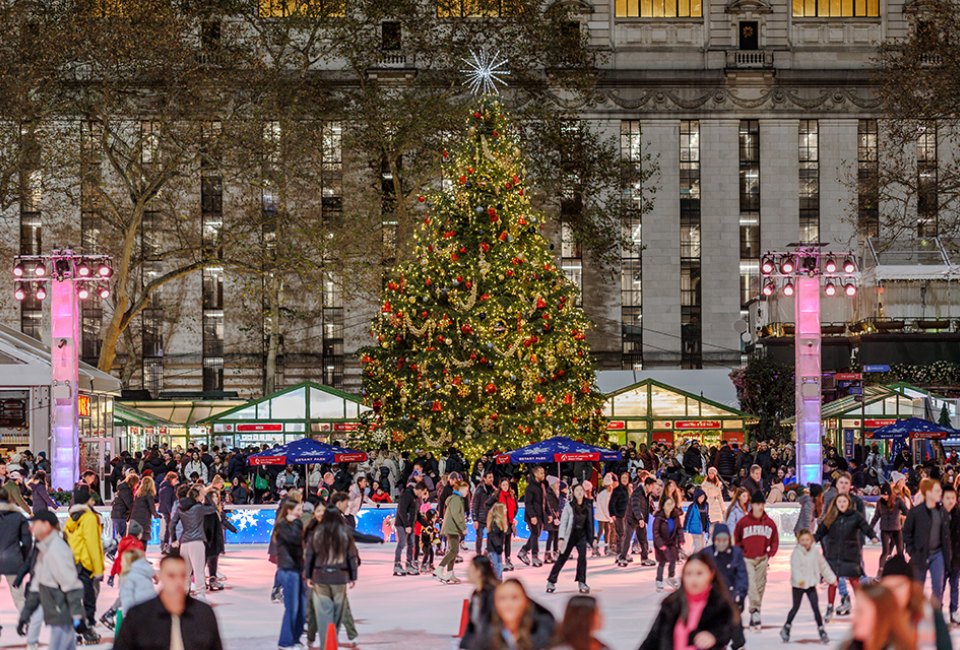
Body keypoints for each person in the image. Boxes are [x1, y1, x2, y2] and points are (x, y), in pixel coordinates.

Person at [113, 554, 224, 650]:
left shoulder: (203, 613)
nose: (178, 582)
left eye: (182, 575)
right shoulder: (139, 615)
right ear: (161, 576)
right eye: (171, 576)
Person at [638, 551, 738, 650]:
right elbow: (652, 640)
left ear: (711, 574)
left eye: (699, 573)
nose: (693, 579)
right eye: (689, 574)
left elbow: (727, 630)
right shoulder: (671, 604)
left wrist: (713, 635)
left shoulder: (719, 604)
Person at [16, 511, 86, 650]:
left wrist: (77, 616)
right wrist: (26, 614)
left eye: (35, 524)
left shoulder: (57, 549)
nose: (31, 528)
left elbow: (71, 585)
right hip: (57, 615)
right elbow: (37, 584)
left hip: (62, 615)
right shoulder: (45, 548)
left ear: (46, 525)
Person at [815, 492, 879, 622]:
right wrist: (811, 541)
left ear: (848, 503)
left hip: (850, 554)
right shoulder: (831, 517)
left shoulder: (855, 516)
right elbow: (820, 532)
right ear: (835, 504)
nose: (842, 504)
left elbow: (865, 526)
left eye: (844, 502)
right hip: (834, 555)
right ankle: (830, 607)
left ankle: (862, 608)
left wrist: (872, 536)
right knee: (833, 581)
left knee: (855, 581)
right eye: (839, 502)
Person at [304, 506, 359, 650]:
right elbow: (352, 556)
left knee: (323, 615)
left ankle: (326, 645)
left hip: (321, 578)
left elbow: (310, 555)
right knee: (337, 615)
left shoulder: (318, 532)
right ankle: (330, 643)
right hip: (339, 578)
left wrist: (309, 575)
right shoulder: (344, 533)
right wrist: (353, 577)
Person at [879, 554, 953, 650]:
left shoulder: (932, 617)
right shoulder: (875, 618)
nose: (894, 593)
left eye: (899, 586)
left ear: (911, 587)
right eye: (888, 589)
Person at [466, 578, 555, 650]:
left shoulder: (544, 632)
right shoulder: (485, 635)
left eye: (514, 597)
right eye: (502, 598)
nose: (508, 604)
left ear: (526, 602)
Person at [733, 489, 778, 630]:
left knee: (760, 586)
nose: (760, 507)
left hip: (762, 559)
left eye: (762, 504)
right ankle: (755, 610)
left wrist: (770, 553)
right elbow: (737, 538)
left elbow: (775, 540)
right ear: (751, 505)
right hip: (747, 559)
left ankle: (755, 612)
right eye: (757, 504)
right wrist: (740, 552)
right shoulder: (744, 522)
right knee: (751, 584)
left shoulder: (769, 523)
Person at [903, 477, 951, 607]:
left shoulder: (942, 512)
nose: (939, 494)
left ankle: (936, 615)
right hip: (920, 554)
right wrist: (912, 550)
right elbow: (906, 532)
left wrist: (947, 555)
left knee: (938, 587)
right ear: (928, 492)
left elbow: (946, 536)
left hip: (938, 554)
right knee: (918, 587)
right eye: (937, 491)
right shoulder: (916, 512)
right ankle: (916, 615)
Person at [781, 528, 835, 643]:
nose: (805, 542)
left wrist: (832, 579)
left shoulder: (815, 553)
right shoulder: (796, 553)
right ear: (798, 541)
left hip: (810, 584)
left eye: (807, 539)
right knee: (795, 608)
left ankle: (821, 630)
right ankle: (786, 627)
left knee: (815, 608)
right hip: (798, 586)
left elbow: (823, 566)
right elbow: (795, 569)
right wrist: (800, 580)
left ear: (811, 540)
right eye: (802, 540)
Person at [64, 485, 103, 643]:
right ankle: (86, 630)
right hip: (85, 564)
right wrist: (98, 568)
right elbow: (92, 544)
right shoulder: (89, 518)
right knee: (89, 599)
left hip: (72, 562)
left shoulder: (71, 518)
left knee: (75, 599)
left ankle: (75, 631)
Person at [170, 485, 217, 599]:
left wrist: (174, 538)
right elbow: (213, 508)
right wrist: (206, 494)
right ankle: (200, 594)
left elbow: (172, 523)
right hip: (197, 542)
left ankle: (184, 593)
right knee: (198, 570)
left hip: (184, 543)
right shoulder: (198, 507)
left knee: (186, 572)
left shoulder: (180, 508)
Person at [546, 483, 594, 595]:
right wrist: (561, 538)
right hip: (570, 535)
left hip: (581, 535)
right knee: (562, 558)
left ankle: (582, 581)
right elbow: (563, 523)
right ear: (573, 493)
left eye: (581, 490)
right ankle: (551, 581)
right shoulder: (569, 506)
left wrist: (592, 538)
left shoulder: (587, 505)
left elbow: (590, 522)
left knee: (582, 558)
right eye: (577, 491)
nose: (579, 493)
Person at [704, 523, 746, 649]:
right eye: (719, 540)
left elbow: (742, 575)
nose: (721, 543)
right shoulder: (706, 554)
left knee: (737, 635)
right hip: (711, 601)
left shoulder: (736, 553)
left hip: (731, 599)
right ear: (714, 539)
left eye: (724, 540)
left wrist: (740, 594)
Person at [272, 499, 305, 650]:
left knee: (303, 607)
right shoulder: (282, 526)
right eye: (299, 509)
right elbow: (294, 539)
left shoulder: (297, 524)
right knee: (292, 607)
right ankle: (285, 642)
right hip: (287, 569)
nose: (301, 512)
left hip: (298, 569)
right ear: (289, 510)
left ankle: (296, 638)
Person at [839, 582, 912, 650]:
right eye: (856, 611)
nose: (855, 619)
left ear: (881, 615)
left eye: (860, 612)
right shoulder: (848, 646)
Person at [0, 486, 32, 616]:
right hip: (13, 558)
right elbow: (27, 541)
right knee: (18, 595)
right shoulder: (18, 517)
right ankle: (26, 620)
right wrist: (23, 557)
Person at [459, 555, 498, 650]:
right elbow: (473, 625)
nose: (467, 572)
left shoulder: (492, 594)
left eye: (470, 568)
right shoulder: (476, 594)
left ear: (479, 571)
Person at [870, 482, 910, 574]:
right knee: (886, 551)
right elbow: (876, 516)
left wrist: (907, 517)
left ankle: (902, 571)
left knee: (900, 551)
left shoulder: (898, 500)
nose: (885, 497)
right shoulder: (880, 502)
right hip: (885, 530)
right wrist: (870, 528)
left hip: (897, 529)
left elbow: (906, 511)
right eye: (883, 495)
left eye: (886, 495)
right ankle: (881, 572)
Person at [436, 480, 468, 584]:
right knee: (454, 550)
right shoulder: (456, 500)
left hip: (452, 528)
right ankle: (439, 568)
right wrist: (462, 527)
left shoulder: (457, 499)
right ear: (460, 489)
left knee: (453, 550)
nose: (467, 492)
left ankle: (450, 573)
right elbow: (456, 515)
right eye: (466, 490)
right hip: (451, 528)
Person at [619, 476, 655, 567]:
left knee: (643, 540)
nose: (653, 488)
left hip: (640, 520)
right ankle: (622, 558)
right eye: (652, 486)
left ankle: (645, 558)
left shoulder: (648, 494)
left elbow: (649, 506)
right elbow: (635, 507)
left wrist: (654, 512)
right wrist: (640, 518)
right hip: (632, 519)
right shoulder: (637, 493)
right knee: (628, 538)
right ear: (647, 485)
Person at [117, 548, 157, 630]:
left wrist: (126, 616)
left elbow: (127, 598)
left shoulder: (127, 577)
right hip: (151, 611)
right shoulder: (145, 573)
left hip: (136, 614)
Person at [394, 481, 427, 576]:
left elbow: (417, 514)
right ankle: (397, 564)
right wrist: (407, 525)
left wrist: (426, 524)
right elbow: (401, 510)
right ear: (419, 490)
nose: (422, 495)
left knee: (411, 544)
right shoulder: (407, 495)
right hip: (402, 524)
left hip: (410, 525)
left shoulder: (415, 499)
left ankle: (409, 563)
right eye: (423, 492)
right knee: (402, 543)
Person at [652, 496, 684, 592]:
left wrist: (681, 538)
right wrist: (660, 544)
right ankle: (659, 580)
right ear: (664, 506)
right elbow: (656, 532)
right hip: (661, 543)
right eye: (668, 504)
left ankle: (671, 577)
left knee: (673, 560)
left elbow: (679, 528)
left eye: (672, 504)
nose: (670, 506)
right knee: (662, 562)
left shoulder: (675, 516)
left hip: (671, 543)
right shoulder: (659, 518)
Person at [518, 466, 547, 568]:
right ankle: (534, 556)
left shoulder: (541, 486)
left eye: (543, 473)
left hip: (539, 514)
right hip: (533, 515)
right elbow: (528, 503)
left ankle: (523, 551)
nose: (543, 475)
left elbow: (544, 501)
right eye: (541, 473)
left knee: (536, 534)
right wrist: (532, 516)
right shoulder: (530, 487)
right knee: (535, 533)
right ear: (535, 474)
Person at [490, 477, 518, 571]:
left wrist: (512, 518)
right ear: (500, 486)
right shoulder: (497, 496)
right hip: (500, 522)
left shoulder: (511, 495)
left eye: (507, 485)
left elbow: (515, 507)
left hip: (509, 522)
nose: (505, 487)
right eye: (503, 485)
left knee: (508, 542)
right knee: (500, 542)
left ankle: (508, 559)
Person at [943, 484, 960, 624]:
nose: (950, 501)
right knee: (939, 588)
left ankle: (953, 613)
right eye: (947, 498)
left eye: (953, 498)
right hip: (940, 558)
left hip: (956, 558)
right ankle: (936, 615)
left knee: (954, 586)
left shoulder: (958, 515)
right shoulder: (936, 514)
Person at [472, 470, 496, 556]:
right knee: (479, 537)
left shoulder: (494, 490)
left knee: (493, 537)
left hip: (491, 518)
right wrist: (475, 519)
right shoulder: (479, 490)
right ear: (484, 479)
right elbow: (474, 505)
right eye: (489, 477)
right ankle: (478, 554)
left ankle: (487, 551)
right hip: (481, 518)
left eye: (492, 477)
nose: (491, 479)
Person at [130, 475, 158, 544]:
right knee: (143, 539)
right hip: (144, 520)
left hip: (135, 519)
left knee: (136, 539)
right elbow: (152, 507)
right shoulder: (149, 495)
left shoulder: (138, 494)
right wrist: (156, 515)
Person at [111, 473, 137, 540]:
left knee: (120, 537)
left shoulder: (122, 489)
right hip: (120, 516)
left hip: (117, 515)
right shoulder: (125, 490)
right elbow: (130, 504)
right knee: (123, 538)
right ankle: (118, 550)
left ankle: (118, 549)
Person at [157, 471, 179, 553]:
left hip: (166, 510)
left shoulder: (166, 487)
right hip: (167, 511)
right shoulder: (167, 488)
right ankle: (166, 545)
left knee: (168, 528)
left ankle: (166, 545)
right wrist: (171, 512)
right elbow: (167, 502)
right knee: (168, 528)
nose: (176, 481)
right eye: (175, 479)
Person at [684, 488, 710, 553]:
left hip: (703, 529)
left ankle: (696, 557)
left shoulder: (706, 505)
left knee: (701, 545)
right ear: (697, 497)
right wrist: (685, 528)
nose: (702, 498)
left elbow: (706, 516)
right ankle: (696, 558)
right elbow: (688, 517)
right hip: (695, 529)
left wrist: (708, 527)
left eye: (703, 497)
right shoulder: (692, 506)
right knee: (698, 545)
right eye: (701, 497)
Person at [487, 502, 509, 579]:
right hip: (494, 549)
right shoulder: (495, 524)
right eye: (504, 509)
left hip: (496, 549)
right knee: (497, 566)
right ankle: (497, 581)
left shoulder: (499, 523)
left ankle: (498, 580)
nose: (506, 510)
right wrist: (498, 546)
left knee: (499, 565)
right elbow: (493, 536)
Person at [701, 468, 725, 534]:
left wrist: (723, 508)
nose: (711, 475)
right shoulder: (705, 485)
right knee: (710, 525)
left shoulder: (718, 484)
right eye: (709, 473)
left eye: (712, 473)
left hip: (716, 505)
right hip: (709, 505)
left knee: (718, 525)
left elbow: (720, 497)